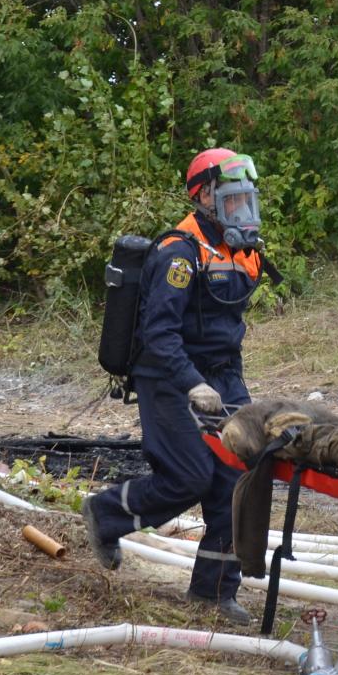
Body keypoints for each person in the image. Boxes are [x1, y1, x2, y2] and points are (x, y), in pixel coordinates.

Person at [81, 147, 269, 623]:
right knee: (190, 476)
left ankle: (213, 593)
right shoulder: (179, 253)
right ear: (205, 196)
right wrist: (191, 384)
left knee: (237, 480)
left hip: (222, 377)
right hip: (168, 375)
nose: (241, 212)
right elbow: (158, 335)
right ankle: (106, 513)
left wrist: (231, 389)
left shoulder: (243, 253)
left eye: (247, 201)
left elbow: (228, 331)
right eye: (232, 201)